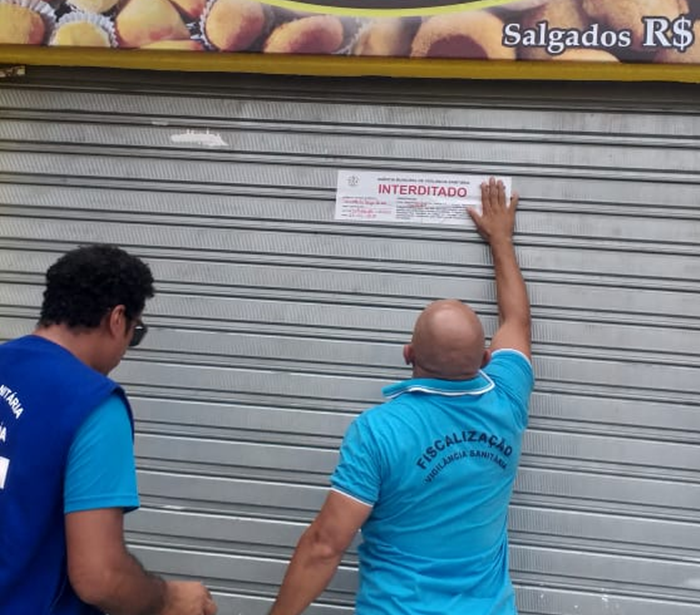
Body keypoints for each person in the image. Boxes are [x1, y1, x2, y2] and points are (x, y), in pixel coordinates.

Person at [268, 177, 533, 615]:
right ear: (487, 358)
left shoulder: (378, 432)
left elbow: (324, 546)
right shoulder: (507, 397)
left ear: (408, 354)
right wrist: (501, 240)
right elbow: (516, 321)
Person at [0, 244, 217, 615]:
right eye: (136, 331)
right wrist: (170, 599)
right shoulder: (94, 404)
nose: (128, 347)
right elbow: (99, 576)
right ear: (117, 319)